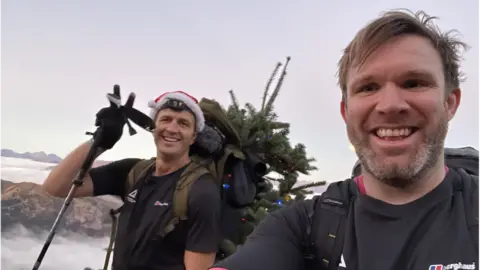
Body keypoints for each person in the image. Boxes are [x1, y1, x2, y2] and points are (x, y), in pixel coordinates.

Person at [210, 9, 475, 270]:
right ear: (346, 112)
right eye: (368, 88)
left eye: (414, 83)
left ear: (450, 103)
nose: (390, 105)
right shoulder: (303, 226)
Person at [42, 91, 221, 270]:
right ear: (153, 127)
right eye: (166, 119)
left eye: (183, 123)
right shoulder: (133, 172)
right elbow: (55, 187)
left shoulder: (201, 190)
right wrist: (100, 141)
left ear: (193, 137)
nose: (172, 129)